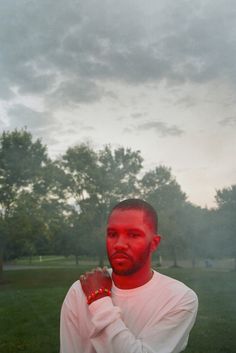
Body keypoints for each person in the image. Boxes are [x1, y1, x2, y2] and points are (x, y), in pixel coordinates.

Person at [60, 199, 198, 353]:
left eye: (133, 235)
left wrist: (99, 300)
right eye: (112, 234)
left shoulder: (179, 299)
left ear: (154, 243)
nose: (119, 244)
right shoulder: (79, 290)